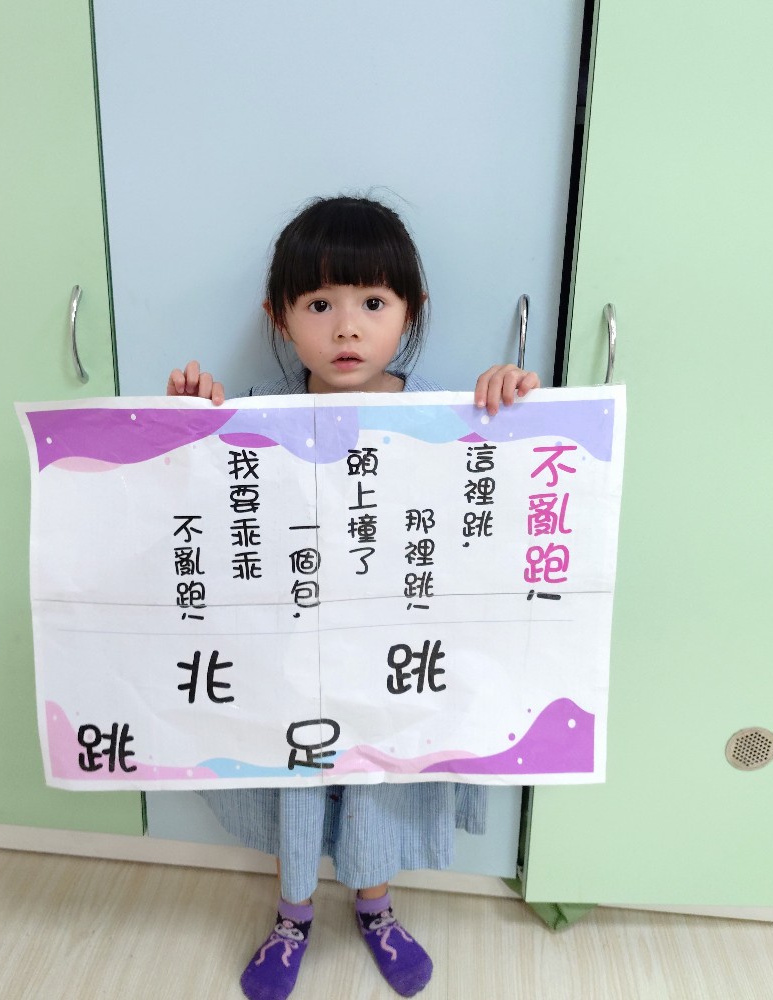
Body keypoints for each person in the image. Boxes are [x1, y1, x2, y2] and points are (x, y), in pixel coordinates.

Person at [166, 195, 539, 1000]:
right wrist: (193, 428)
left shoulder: (449, 417)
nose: (346, 328)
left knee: (379, 782)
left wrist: (510, 402)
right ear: (278, 316)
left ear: (410, 311)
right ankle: (292, 914)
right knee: (294, 782)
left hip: (393, 659)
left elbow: (497, 516)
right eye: (318, 304)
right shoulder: (254, 418)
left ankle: (376, 907)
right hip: (293, 659)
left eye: (372, 303)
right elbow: (209, 527)